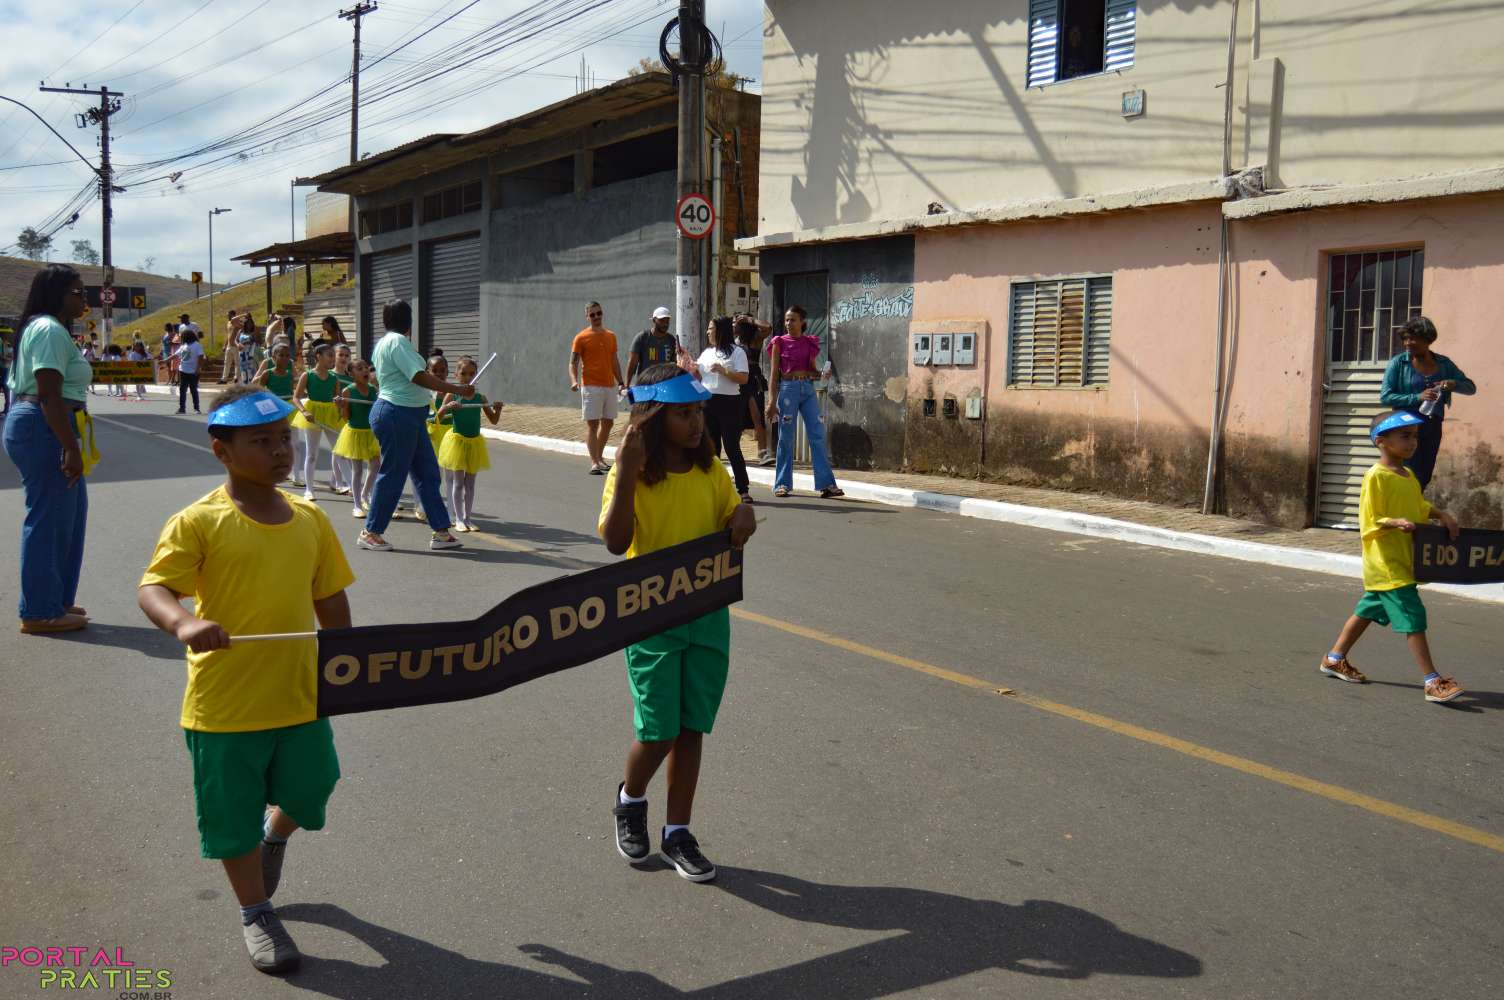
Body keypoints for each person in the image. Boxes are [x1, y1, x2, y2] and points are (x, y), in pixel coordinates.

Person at [136, 384, 355, 975]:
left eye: (284, 437)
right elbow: (154, 588)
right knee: (231, 819)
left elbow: (330, 597)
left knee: (313, 788)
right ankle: (256, 911)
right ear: (222, 451)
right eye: (261, 441)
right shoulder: (198, 521)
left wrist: (347, 663)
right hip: (225, 704)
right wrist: (184, 622)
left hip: (299, 694)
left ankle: (274, 836)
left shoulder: (310, 518)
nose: (280, 451)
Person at [600, 364, 757, 882]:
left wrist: (744, 515)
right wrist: (626, 470)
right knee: (658, 729)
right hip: (651, 619)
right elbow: (616, 542)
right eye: (683, 414)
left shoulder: (710, 472)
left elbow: (733, 516)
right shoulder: (634, 474)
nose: (696, 423)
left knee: (692, 726)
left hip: (708, 617)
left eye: (698, 413)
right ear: (652, 419)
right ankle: (631, 798)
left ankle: (678, 833)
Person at [1320, 411, 1464, 704]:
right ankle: (1432, 681)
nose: (1413, 442)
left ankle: (1334, 658)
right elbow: (1370, 517)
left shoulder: (1408, 475)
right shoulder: (1376, 476)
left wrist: (1441, 515)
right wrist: (1393, 522)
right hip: (1387, 562)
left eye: (1415, 436)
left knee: (1368, 610)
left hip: (1404, 557)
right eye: (1405, 436)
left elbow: (1418, 505)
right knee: (1413, 617)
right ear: (1381, 441)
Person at [4, 264, 94, 634]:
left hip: (49, 424)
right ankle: (40, 611)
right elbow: (48, 394)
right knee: (49, 518)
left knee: (70, 515)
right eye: (77, 292)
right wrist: (69, 446)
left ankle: (55, 599)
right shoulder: (49, 329)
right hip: (44, 426)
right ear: (57, 294)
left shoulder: (50, 329)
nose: (83, 299)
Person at [358, 299, 474, 553]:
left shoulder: (385, 342)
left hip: (406, 415)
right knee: (394, 474)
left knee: (427, 472)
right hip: (397, 414)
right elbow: (418, 376)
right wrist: (457, 389)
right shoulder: (397, 342)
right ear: (409, 322)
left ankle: (440, 531)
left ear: (385, 320)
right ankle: (371, 532)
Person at [1378, 316, 1477, 489]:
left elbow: (1470, 388)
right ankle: (1403, 505)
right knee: (1407, 473)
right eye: (1405, 339)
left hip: (1432, 427)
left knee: (1424, 475)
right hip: (1405, 428)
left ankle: (1416, 504)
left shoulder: (1444, 364)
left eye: (1412, 338)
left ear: (1427, 339)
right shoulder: (1398, 363)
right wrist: (1417, 397)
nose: (1407, 343)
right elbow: (1386, 397)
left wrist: (1453, 384)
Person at [766, 305, 843, 499]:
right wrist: (771, 402)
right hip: (788, 391)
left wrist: (822, 374)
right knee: (786, 438)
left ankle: (827, 484)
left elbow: (812, 371)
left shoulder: (809, 343)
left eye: (793, 320)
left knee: (817, 434)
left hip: (808, 390)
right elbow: (774, 375)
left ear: (802, 322)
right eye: (786, 320)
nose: (788, 323)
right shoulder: (779, 342)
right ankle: (782, 484)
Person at [436, 355, 503, 532]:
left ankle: (468, 518)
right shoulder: (452, 394)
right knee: (458, 483)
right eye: (464, 373)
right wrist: (447, 407)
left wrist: (497, 410)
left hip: (474, 443)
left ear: (477, 375)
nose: (468, 377)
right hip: (457, 443)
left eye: (472, 374)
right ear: (456, 375)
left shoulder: (480, 398)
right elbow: (438, 417)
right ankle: (458, 519)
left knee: (470, 484)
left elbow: (494, 420)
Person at [695, 315, 753, 504]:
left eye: (711, 328)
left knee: (731, 446)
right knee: (711, 448)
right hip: (708, 403)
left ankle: (742, 489)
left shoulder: (737, 352)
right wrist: (687, 365)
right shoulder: (707, 353)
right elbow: (697, 375)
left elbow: (743, 378)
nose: (708, 332)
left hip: (729, 403)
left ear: (720, 330)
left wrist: (723, 370)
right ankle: (713, 488)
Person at [569, 301, 626, 475]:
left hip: (609, 386)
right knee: (593, 425)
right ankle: (594, 462)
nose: (596, 317)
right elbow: (573, 363)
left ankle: (600, 458)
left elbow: (614, 361)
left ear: (602, 313)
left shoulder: (611, 336)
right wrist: (574, 380)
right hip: (591, 386)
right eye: (592, 314)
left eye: (598, 313)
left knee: (608, 423)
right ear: (587, 317)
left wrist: (621, 381)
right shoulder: (581, 337)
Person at [290, 343, 346, 502]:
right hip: (313, 415)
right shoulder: (307, 375)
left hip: (329, 415)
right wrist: (304, 411)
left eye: (333, 356)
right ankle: (309, 490)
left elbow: (337, 399)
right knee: (312, 454)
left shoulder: (334, 378)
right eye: (329, 355)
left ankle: (343, 483)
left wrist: (340, 404)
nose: (332, 359)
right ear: (318, 356)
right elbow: (296, 398)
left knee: (339, 450)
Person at [334, 360, 381, 519]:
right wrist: (342, 406)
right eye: (359, 368)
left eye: (366, 367)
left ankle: (364, 494)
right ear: (351, 374)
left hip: (371, 433)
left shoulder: (374, 389)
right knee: (358, 470)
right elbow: (346, 417)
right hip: (354, 433)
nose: (365, 370)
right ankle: (357, 505)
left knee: (375, 465)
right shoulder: (348, 391)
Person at [255, 342, 304, 487]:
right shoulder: (267, 374)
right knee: (272, 443)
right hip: (273, 409)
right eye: (281, 355)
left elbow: (296, 391)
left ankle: (296, 476)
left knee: (295, 443)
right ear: (274, 357)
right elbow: (259, 392)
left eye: (287, 355)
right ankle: (269, 472)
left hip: (289, 409)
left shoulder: (290, 375)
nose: (284, 358)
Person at [735, 314, 773, 465]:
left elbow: (768, 327)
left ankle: (762, 452)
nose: (735, 324)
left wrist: (750, 320)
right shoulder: (732, 340)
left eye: (738, 322)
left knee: (757, 415)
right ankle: (734, 451)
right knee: (736, 417)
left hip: (752, 379)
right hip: (737, 379)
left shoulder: (755, 338)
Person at [625, 306, 682, 385]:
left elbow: (675, 364)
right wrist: (626, 385)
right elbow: (632, 363)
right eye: (662, 320)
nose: (665, 324)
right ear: (654, 320)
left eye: (667, 321)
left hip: (664, 384)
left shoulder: (671, 340)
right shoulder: (642, 338)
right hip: (645, 384)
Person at [174, 330, 207, 414]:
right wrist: (165, 360)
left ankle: (196, 408)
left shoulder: (197, 345)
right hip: (183, 370)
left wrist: (198, 368)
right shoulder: (183, 346)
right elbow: (175, 355)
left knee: (193, 390)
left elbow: (201, 357)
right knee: (182, 390)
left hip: (193, 371)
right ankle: (182, 408)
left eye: (182, 337)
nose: (181, 338)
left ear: (187, 337)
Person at [218, 311, 241, 383]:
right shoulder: (228, 323)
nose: (227, 316)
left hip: (235, 345)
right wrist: (225, 345)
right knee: (226, 362)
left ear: (233, 315)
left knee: (237, 362)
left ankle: (237, 377)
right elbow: (228, 335)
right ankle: (224, 379)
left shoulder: (238, 322)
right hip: (229, 345)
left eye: (228, 315)